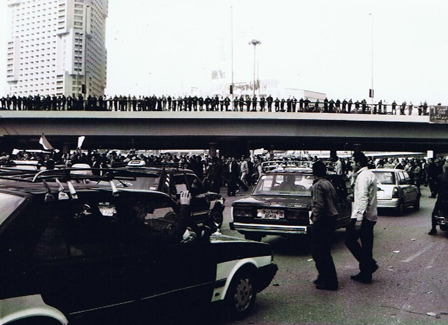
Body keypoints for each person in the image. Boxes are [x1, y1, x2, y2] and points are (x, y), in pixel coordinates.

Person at [345, 152, 379, 284]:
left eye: (353, 162)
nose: (351, 164)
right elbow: (364, 195)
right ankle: (366, 273)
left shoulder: (363, 176)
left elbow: (364, 197)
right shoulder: (369, 174)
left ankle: (369, 265)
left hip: (362, 215)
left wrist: (359, 219)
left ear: (358, 163)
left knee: (349, 240)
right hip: (370, 214)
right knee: (366, 245)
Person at [310, 160, 339, 291]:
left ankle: (329, 280)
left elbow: (319, 205)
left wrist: (314, 219)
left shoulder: (317, 186)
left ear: (314, 172)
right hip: (332, 218)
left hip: (323, 220)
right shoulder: (328, 183)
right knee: (324, 250)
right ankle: (323, 276)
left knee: (319, 251)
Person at [428, 169, 448, 235]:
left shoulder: (440, 177)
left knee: (434, 213)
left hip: (442, 199)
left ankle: (433, 228)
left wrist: (434, 194)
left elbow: (436, 188)